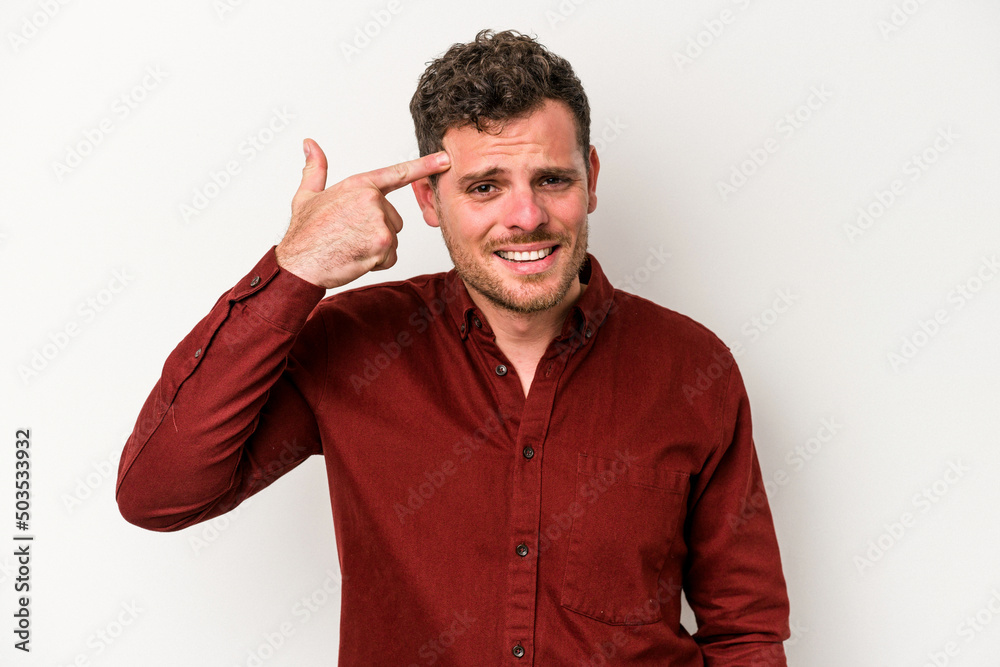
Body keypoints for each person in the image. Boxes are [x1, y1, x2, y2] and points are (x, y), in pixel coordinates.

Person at [116, 29, 790, 665]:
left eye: (552, 179)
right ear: (429, 200)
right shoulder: (354, 344)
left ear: (590, 175)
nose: (526, 216)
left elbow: (745, 629)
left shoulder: (691, 367)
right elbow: (159, 494)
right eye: (485, 186)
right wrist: (294, 271)